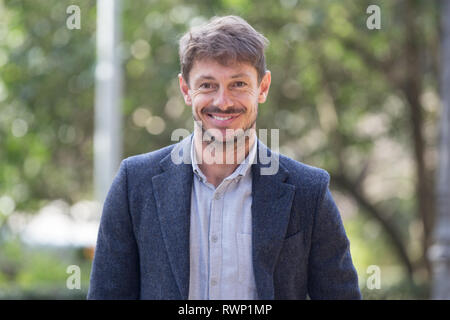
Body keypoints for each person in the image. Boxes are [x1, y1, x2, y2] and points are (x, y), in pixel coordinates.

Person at [88, 15, 361, 300]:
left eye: (238, 84)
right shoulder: (135, 184)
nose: (223, 101)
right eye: (207, 85)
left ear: (263, 87)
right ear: (186, 90)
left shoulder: (309, 191)